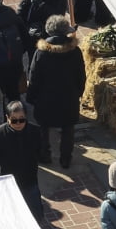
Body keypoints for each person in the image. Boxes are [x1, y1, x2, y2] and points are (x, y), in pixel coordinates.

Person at [26, 14, 85, 167]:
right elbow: (81, 76)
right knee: (68, 129)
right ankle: (66, 159)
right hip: (68, 98)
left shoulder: (41, 53)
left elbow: (33, 78)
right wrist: (78, 93)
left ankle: (45, 155)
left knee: (43, 128)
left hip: (45, 100)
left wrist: (31, 97)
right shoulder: (75, 51)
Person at [0, 101, 46, 214]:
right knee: (8, 211)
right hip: (7, 181)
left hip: (29, 180)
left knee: (35, 211)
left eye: (22, 119)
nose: (18, 123)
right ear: (7, 118)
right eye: (14, 120)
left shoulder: (35, 131)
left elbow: (39, 150)